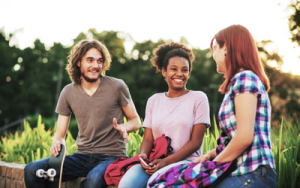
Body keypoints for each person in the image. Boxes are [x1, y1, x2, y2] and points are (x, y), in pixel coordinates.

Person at [24, 39, 141, 188]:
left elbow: (136, 120)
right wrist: (57, 141)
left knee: (92, 181)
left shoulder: (117, 86)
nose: (95, 65)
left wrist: (125, 127)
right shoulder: (68, 92)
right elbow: (60, 134)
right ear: (78, 62)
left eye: (99, 61)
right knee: (32, 170)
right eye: (90, 60)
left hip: (111, 157)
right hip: (81, 157)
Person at [193, 25, 277, 187]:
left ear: (226, 48)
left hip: (251, 173)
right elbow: (235, 137)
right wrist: (211, 154)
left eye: (215, 48)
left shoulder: (245, 77)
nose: (213, 55)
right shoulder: (240, 80)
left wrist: (209, 170)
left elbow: (244, 137)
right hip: (244, 172)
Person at [118, 42, 210, 188]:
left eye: (184, 70)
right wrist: (143, 156)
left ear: (189, 73)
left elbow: (195, 142)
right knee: (126, 184)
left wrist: (166, 162)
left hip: (186, 162)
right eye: (174, 69)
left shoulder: (198, 98)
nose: (179, 74)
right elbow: (148, 138)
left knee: (156, 183)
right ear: (164, 71)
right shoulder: (154, 100)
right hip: (156, 160)